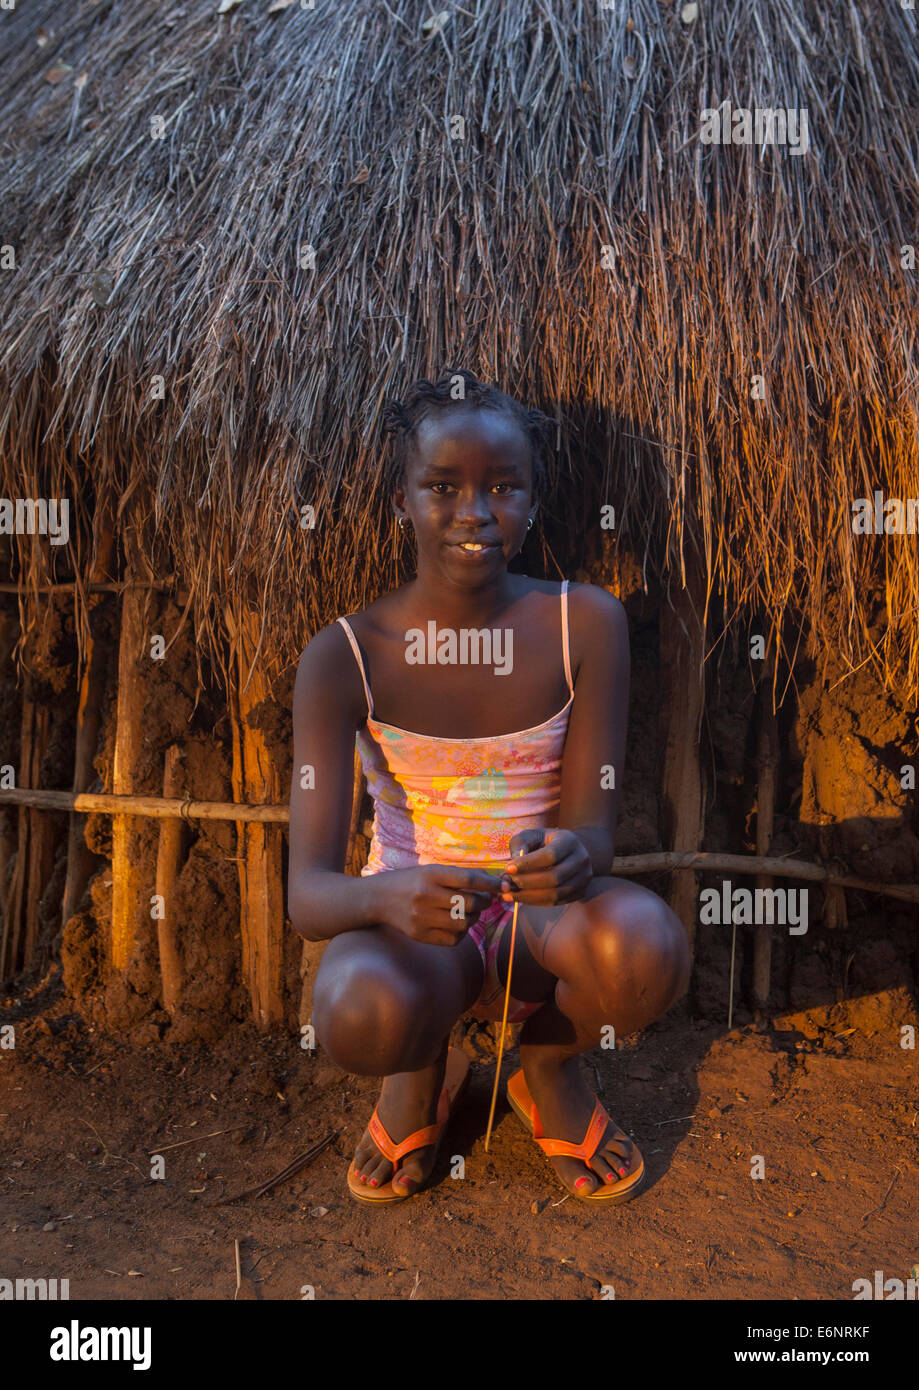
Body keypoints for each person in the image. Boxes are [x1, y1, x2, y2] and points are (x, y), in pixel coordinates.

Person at [288, 369, 690, 1206]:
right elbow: (308, 897)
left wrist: (573, 857)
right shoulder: (344, 658)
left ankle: (547, 1073)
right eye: (442, 486)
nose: (474, 512)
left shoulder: (585, 624)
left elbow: (595, 828)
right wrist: (391, 898)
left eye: (502, 487)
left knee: (644, 949)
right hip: (417, 933)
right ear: (401, 500)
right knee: (359, 1011)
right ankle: (414, 1078)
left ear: (532, 502)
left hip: (542, 925)